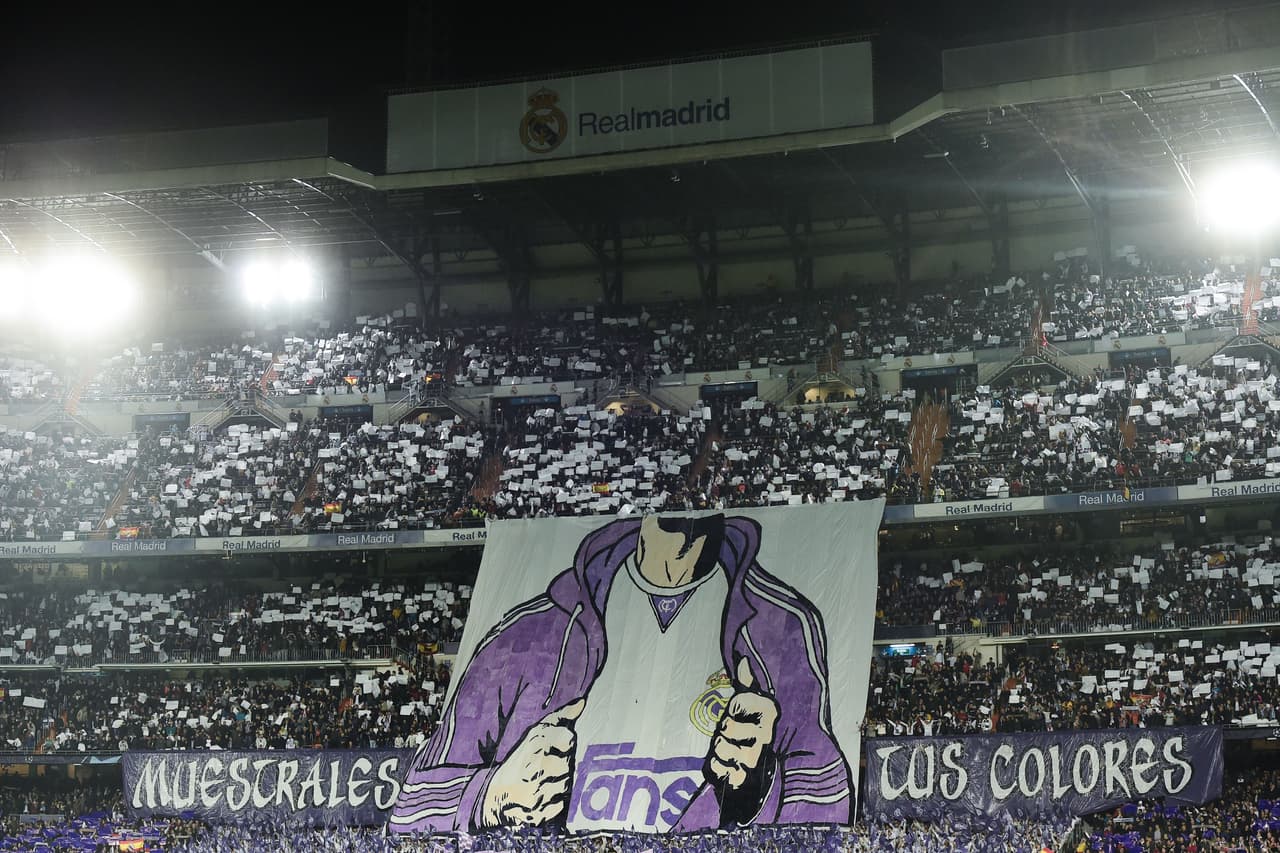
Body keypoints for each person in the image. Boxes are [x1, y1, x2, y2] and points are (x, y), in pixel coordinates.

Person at [390, 513, 850, 835]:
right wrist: (490, 796)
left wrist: (759, 790)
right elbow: (410, 806)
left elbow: (829, 797)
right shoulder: (525, 637)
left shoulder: (781, 627)